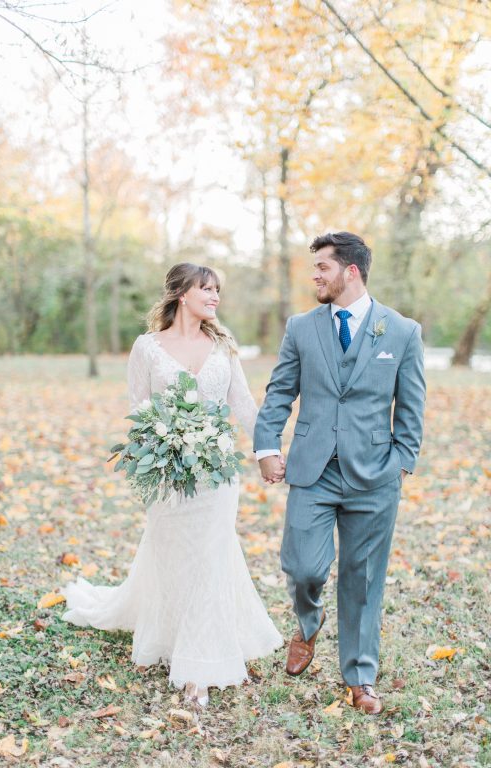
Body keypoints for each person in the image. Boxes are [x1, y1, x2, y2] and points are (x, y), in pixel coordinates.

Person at [62, 263, 282, 707]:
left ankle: (197, 669)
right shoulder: (147, 348)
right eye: (206, 288)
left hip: (217, 474)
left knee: (210, 557)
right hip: (170, 476)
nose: (215, 296)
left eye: (218, 289)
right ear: (182, 293)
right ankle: (171, 630)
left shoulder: (224, 345)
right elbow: (138, 409)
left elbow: (242, 403)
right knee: (174, 557)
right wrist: (165, 446)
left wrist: (268, 452)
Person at [254, 232, 425, 714]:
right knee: (303, 567)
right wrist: (267, 447)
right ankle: (308, 622)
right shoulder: (301, 328)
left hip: (375, 475)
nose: (315, 276)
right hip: (313, 470)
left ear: (351, 271)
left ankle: (361, 676)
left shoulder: (402, 331)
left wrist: (401, 462)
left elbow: (411, 406)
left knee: (363, 577)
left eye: (322, 268)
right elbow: (279, 393)